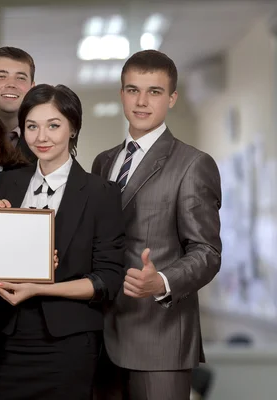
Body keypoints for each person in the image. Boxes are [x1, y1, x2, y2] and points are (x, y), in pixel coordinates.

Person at [91, 50, 222, 400]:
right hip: (101, 336)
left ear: (172, 98)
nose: (142, 101)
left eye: (155, 91)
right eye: (133, 90)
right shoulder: (104, 162)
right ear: (121, 94)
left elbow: (207, 251)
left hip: (159, 339)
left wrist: (162, 280)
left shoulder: (193, 164)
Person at [0, 84, 126, 400]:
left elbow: (108, 280)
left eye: (53, 125)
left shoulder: (100, 193)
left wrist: (39, 288)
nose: (41, 137)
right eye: (32, 126)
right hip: (9, 337)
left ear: (73, 128)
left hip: (69, 342)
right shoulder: (7, 184)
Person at [0, 46, 37, 163]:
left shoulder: (44, 140)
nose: (11, 84)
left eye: (21, 78)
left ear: (32, 88)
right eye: (1, 76)